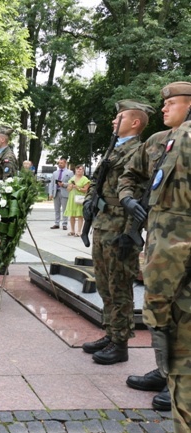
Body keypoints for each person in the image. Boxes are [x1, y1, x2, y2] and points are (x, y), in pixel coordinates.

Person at [118, 81, 191, 422]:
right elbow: (128, 174)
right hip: (160, 245)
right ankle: (165, 372)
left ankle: (179, 381)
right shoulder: (156, 142)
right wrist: (128, 199)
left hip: (182, 247)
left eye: (171, 103)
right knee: (159, 313)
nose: (163, 109)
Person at [80, 100, 154, 367]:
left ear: (135, 122)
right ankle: (111, 333)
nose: (114, 121)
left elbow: (140, 193)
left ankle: (120, 343)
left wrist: (130, 232)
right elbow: (97, 181)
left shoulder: (141, 151)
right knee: (104, 284)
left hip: (122, 227)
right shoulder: (113, 149)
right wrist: (90, 200)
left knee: (120, 285)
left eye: (119, 118)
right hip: (103, 224)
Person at [63, 165, 90, 236]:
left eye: (80, 169)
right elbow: (68, 189)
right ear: (75, 170)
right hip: (72, 198)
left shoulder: (85, 179)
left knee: (80, 215)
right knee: (72, 215)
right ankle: (72, 230)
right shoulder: (72, 178)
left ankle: (79, 231)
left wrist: (78, 188)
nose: (79, 171)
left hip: (80, 198)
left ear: (83, 171)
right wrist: (70, 186)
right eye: (77, 169)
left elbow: (86, 190)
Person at [48, 158, 73, 230]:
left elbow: (72, 183)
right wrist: (50, 193)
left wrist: (63, 184)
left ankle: (64, 224)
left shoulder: (70, 172)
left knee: (65, 209)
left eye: (61, 163)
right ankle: (56, 223)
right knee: (56, 209)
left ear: (65, 164)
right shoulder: (55, 173)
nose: (59, 164)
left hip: (65, 192)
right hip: (56, 192)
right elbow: (52, 183)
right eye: (59, 163)